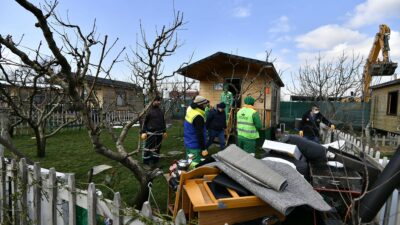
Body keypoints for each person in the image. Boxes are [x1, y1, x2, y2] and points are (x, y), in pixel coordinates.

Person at [140, 96, 167, 166]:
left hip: (159, 133)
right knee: (149, 148)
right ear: (152, 101)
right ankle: (146, 161)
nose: (158, 102)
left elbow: (163, 122)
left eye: (159, 101)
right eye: (157, 100)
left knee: (157, 148)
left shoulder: (160, 111)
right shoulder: (148, 111)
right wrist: (143, 132)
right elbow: (144, 122)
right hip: (151, 133)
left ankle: (155, 161)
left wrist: (164, 131)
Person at [184, 95, 209, 165]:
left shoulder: (190, 110)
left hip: (188, 142)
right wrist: (203, 148)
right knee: (195, 165)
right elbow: (199, 134)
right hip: (195, 145)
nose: (206, 106)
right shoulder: (198, 117)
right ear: (200, 105)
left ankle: (188, 174)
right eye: (205, 104)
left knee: (189, 162)